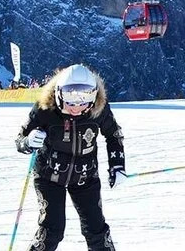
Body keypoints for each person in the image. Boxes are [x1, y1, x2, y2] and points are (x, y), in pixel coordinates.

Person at [15, 64, 125, 251]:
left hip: (85, 176)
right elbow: (20, 140)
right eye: (70, 101)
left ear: (93, 97)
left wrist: (117, 165)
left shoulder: (98, 109)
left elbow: (114, 134)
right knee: (52, 229)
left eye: (84, 101)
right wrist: (29, 142)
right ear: (58, 94)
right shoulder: (44, 109)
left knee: (96, 229)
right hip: (49, 176)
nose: (76, 107)